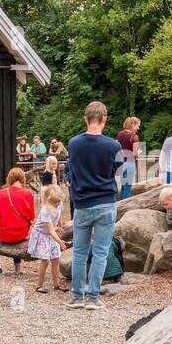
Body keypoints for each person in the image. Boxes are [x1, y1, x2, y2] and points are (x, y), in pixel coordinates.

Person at [66, 101, 122, 309]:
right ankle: (93, 297)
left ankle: (76, 296)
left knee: (79, 252)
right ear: (104, 118)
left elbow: (71, 169)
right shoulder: (113, 146)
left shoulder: (73, 143)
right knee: (100, 251)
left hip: (81, 202)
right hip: (105, 202)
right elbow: (117, 170)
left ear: (85, 118)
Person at [0, 167, 35, 274]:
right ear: (22, 178)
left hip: (5, 235)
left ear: (9, 178)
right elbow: (31, 217)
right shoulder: (28, 194)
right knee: (19, 225)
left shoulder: (1, 193)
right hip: (22, 235)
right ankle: (17, 268)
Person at [28, 184, 67, 292]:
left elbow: (59, 215)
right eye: (54, 202)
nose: (57, 204)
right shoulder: (46, 210)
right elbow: (50, 230)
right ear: (48, 200)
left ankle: (57, 284)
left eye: (58, 201)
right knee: (45, 260)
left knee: (56, 259)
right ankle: (39, 285)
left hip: (51, 234)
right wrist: (60, 242)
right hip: (42, 235)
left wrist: (60, 226)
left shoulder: (59, 204)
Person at [116, 116, 141, 200]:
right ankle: (124, 208)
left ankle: (118, 206)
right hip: (130, 164)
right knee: (127, 188)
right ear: (133, 124)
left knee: (123, 187)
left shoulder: (120, 134)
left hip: (121, 163)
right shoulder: (134, 137)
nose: (138, 128)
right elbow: (134, 153)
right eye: (137, 125)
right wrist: (139, 152)